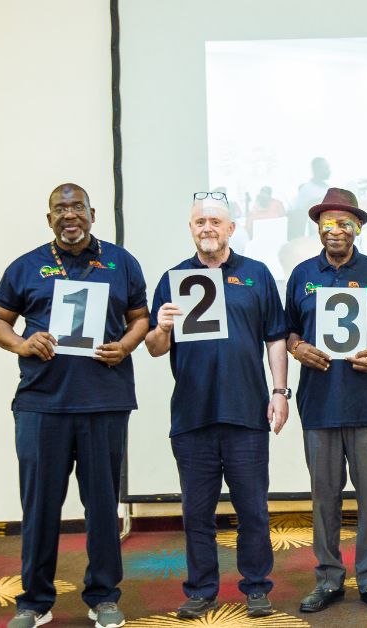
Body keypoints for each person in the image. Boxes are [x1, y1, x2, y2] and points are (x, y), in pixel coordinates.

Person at [0, 184, 147, 628]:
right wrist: (21, 343)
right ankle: (34, 602)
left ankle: (103, 597)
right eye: (60, 209)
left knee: (102, 507)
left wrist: (126, 345)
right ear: (49, 218)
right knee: (39, 507)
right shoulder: (26, 266)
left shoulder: (122, 262)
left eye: (77, 208)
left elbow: (140, 319)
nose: (69, 215)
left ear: (93, 214)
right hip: (41, 404)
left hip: (103, 401)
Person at [144, 195, 290, 620]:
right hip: (192, 415)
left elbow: (275, 337)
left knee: (253, 510)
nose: (207, 228)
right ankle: (201, 589)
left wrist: (280, 391)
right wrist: (162, 327)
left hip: (246, 413)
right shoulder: (173, 279)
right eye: (199, 222)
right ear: (191, 229)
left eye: (214, 221)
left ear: (230, 229)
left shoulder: (257, 274)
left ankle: (257, 587)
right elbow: (154, 348)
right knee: (196, 514)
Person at [285, 188, 367, 614]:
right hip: (319, 403)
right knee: (324, 499)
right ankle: (329, 579)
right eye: (328, 222)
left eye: (345, 223)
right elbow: (288, 330)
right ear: (318, 227)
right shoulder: (301, 274)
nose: (336, 230)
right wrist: (297, 348)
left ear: (358, 229)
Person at [287, 157, 332, 239]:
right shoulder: (307, 189)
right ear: (317, 170)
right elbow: (298, 213)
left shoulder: (328, 188)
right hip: (314, 234)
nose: (329, 171)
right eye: (326, 168)